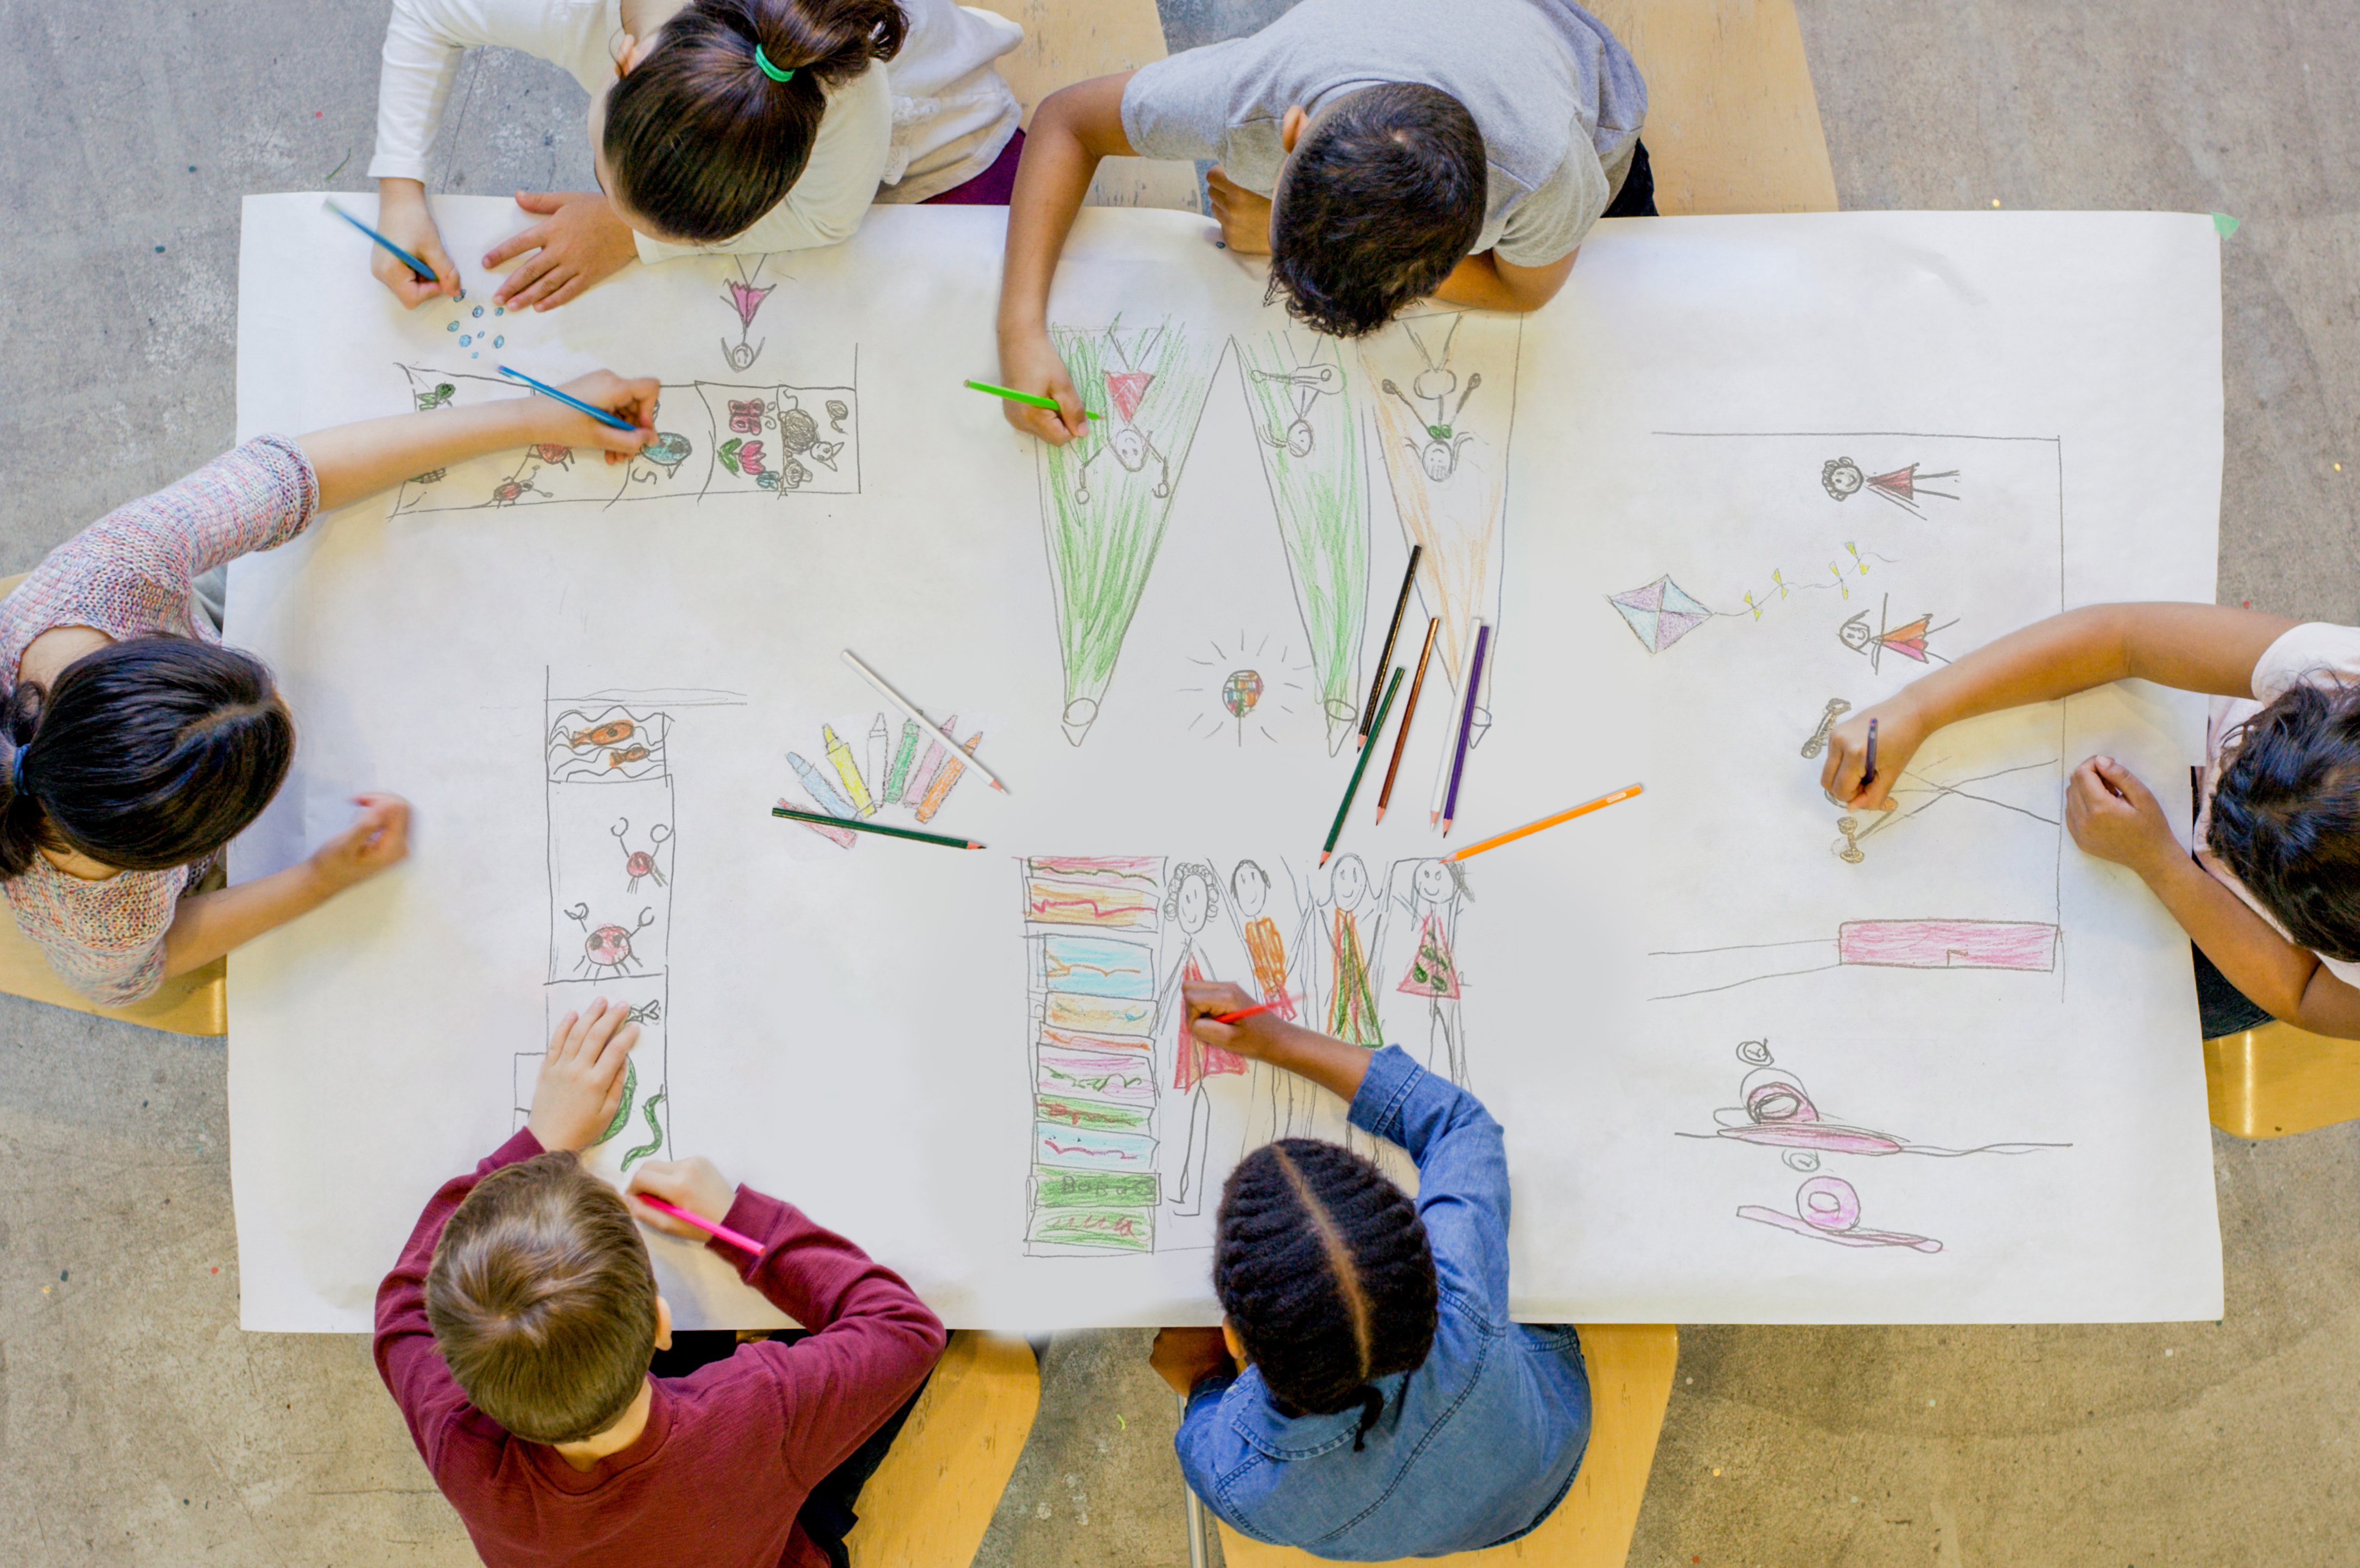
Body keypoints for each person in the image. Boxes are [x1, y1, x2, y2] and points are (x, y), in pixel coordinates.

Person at [0, 373, 658, 1005]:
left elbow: (296, 476)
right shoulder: (98, 918)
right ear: (189, 846)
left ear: (140, 659)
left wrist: (537, 417)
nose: (284, 690)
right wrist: (317, 880)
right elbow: (144, 969)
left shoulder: (108, 575)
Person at [376, 998, 947, 1568]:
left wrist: (540, 1139)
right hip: (758, 1518)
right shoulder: (758, 1413)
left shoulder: (460, 1446)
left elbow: (401, 1306)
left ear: (461, 1376)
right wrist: (737, 1223)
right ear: (658, 1322)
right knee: (964, 1309)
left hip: (694, 1510)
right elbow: (906, 1327)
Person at [995, 0, 1649, 443]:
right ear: (1290, 129)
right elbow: (1066, 121)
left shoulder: (1545, 172)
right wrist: (1019, 330)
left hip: (1561, 53)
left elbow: (1523, 288)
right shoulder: (1247, 92)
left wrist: (1268, 239)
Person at [1149, 980, 1590, 1558]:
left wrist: (1203, 1378)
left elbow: (1202, 1410)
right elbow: (1460, 1127)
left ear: (1234, 1338)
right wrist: (1281, 1040)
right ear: (1426, 1262)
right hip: (1545, 1458)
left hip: (1447, 1518)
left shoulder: (1241, 1483)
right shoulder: (1462, 1300)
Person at [1820, 602, 2360, 1040]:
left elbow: (2304, 992)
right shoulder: (2342, 669)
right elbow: (2124, 636)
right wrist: (1917, 708)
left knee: (2093, 1023)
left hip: (2238, 932)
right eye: (2249, 738)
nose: (2223, 765)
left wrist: (2162, 864)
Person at [367, 0, 1025, 311]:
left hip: (942, 135)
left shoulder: (845, 97)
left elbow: (827, 222)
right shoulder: (563, 10)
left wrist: (631, 239)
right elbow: (428, 13)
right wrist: (399, 192)